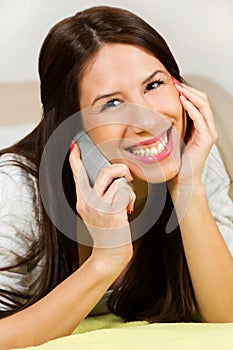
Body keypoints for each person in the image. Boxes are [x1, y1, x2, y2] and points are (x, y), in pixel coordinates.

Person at [0, 5, 233, 348]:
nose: (149, 119)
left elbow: (226, 314)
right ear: (71, 127)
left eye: (154, 84)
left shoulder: (194, 152)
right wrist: (105, 261)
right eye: (111, 103)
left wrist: (187, 187)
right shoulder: (17, 190)